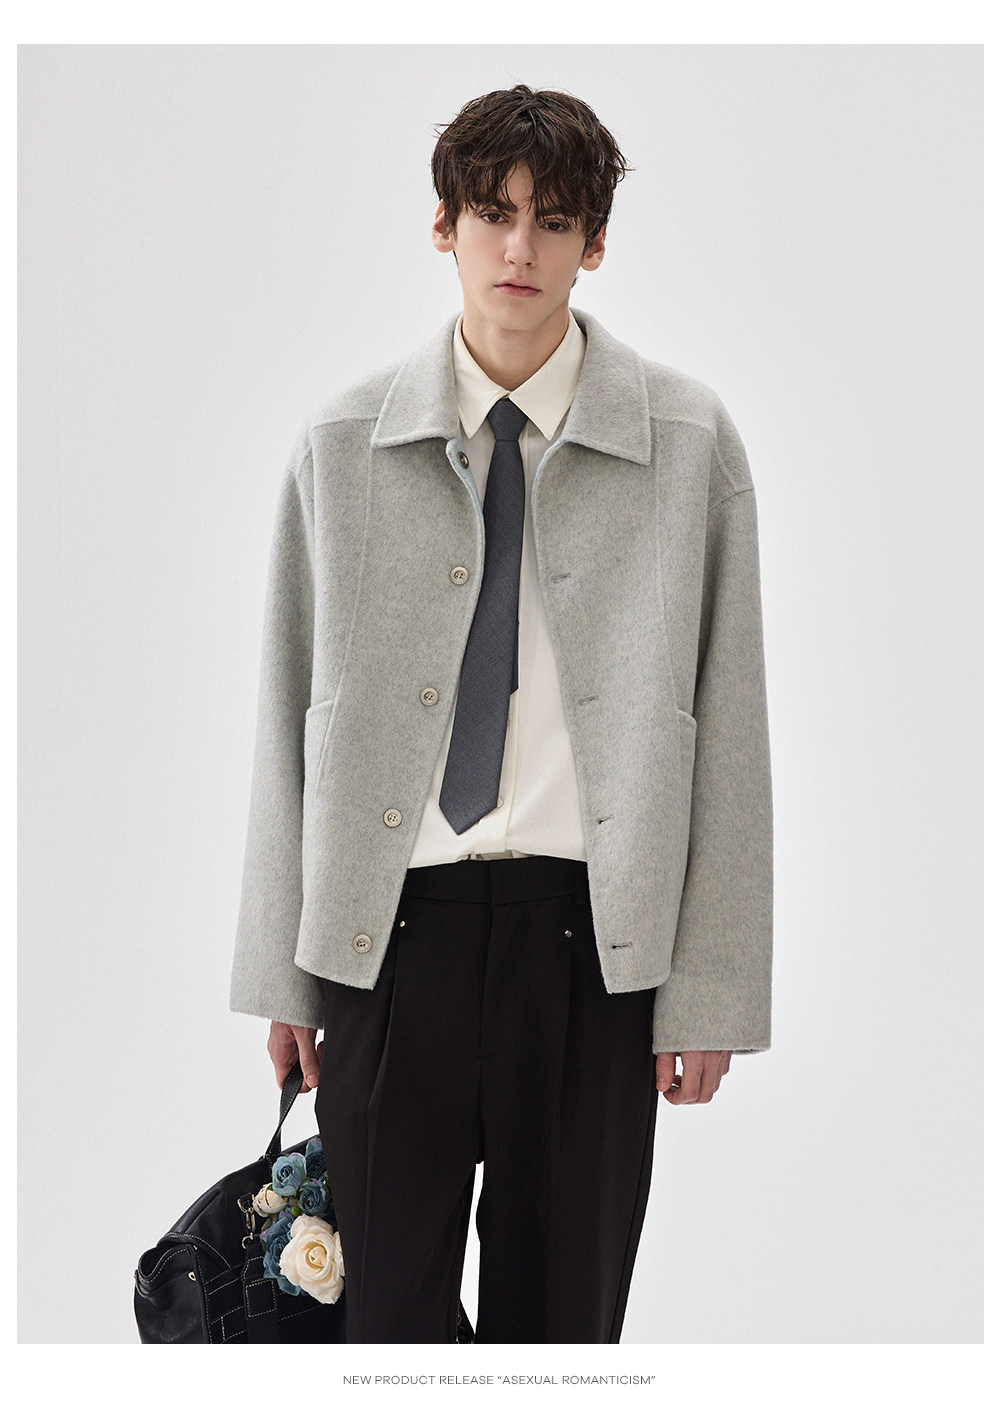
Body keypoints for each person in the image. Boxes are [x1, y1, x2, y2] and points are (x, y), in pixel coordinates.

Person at [230, 84, 773, 1344]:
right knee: (384, 1334)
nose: (519, 247)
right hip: (388, 941)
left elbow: (730, 727)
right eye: (492, 214)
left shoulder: (687, 442)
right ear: (444, 227)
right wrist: (283, 976)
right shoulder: (343, 444)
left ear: (595, 244)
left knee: (562, 1334)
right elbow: (284, 714)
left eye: (553, 220)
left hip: (588, 950)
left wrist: (710, 993)